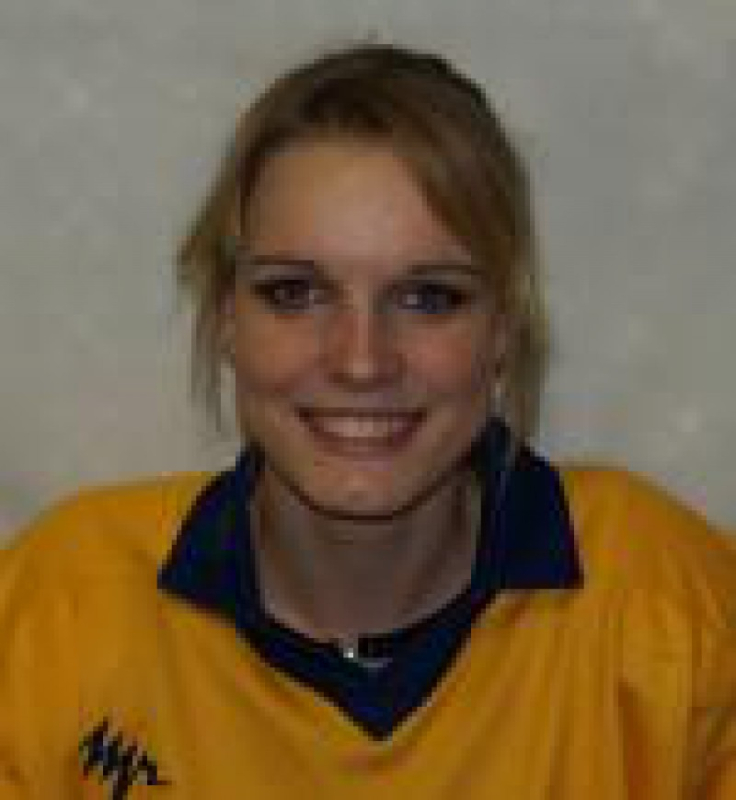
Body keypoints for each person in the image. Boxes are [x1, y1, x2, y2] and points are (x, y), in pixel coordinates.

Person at [1, 42, 734, 800]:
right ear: (225, 317)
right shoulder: (54, 617)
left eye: (429, 298)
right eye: (294, 293)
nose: (361, 362)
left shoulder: (676, 615)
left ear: (503, 329)